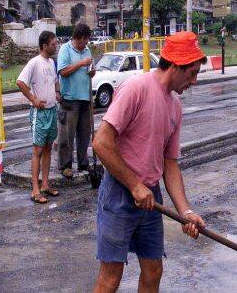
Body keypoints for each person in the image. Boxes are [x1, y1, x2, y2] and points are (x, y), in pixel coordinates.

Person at [92, 31, 207, 293]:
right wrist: (134, 185)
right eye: (193, 73)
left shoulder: (175, 106)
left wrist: (186, 213)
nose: (195, 81)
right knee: (111, 276)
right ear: (176, 65)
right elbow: (101, 142)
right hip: (120, 193)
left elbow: (170, 164)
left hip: (150, 198)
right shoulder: (137, 88)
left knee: (153, 270)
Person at [17, 31, 60, 204]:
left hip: (51, 110)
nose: (55, 46)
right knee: (38, 150)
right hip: (39, 114)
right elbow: (20, 82)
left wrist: (57, 92)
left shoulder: (51, 63)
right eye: (53, 43)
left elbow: (55, 80)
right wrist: (33, 99)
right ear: (44, 45)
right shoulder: (34, 62)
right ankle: (35, 190)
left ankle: (45, 185)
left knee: (48, 149)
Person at [57, 22, 96, 179]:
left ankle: (82, 161)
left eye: (86, 41)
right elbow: (63, 71)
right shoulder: (65, 49)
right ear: (77, 38)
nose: (85, 44)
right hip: (70, 98)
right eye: (83, 41)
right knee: (67, 134)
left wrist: (91, 72)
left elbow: (88, 70)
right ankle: (65, 165)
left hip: (85, 97)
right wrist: (81, 63)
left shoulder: (87, 50)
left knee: (84, 133)